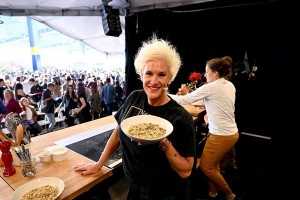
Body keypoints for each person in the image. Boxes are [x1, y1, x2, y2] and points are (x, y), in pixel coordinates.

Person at [74, 36, 196, 200]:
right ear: (141, 74)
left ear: (170, 78)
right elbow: (118, 133)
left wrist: (165, 143)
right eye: (149, 74)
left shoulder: (180, 118)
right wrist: (98, 164)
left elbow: (186, 170)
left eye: (162, 74)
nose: (154, 81)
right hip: (134, 184)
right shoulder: (134, 97)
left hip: (165, 191)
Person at [169, 56, 241, 200]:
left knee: (206, 167)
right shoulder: (228, 85)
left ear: (215, 73)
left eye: (207, 72)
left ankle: (230, 194)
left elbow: (184, 100)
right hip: (232, 133)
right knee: (215, 165)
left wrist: (165, 95)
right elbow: (215, 101)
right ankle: (212, 192)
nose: (205, 75)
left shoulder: (211, 87)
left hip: (221, 135)